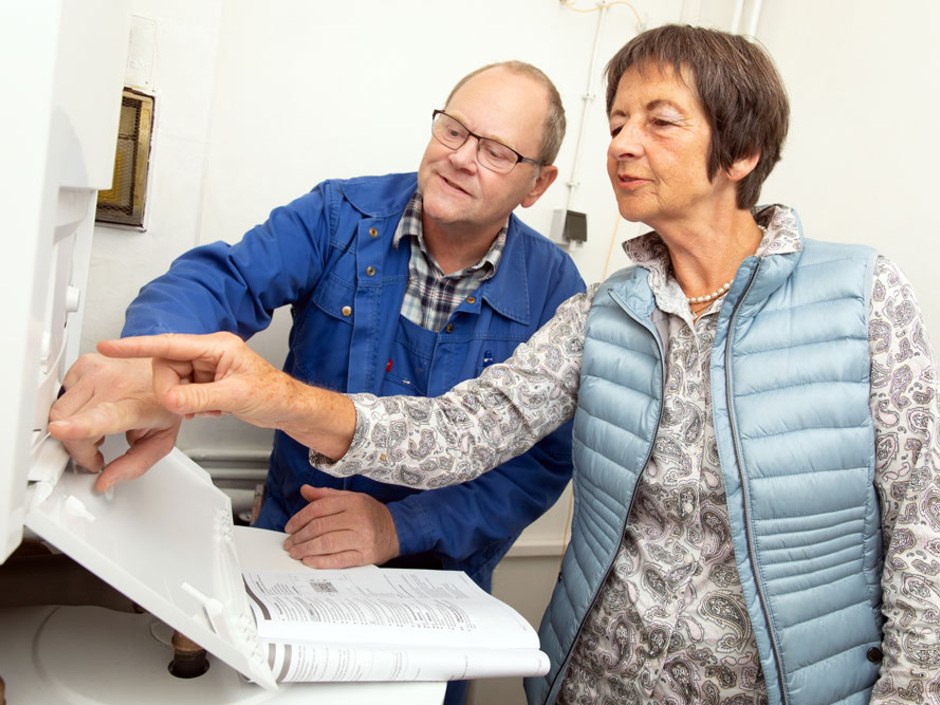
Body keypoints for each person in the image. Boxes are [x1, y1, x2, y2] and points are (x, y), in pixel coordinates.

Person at [51, 25, 940, 705]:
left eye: (657, 122)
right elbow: (461, 427)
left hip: (713, 666)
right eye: (618, 120)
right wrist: (199, 376)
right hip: (558, 668)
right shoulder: (606, 308)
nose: (623, 143)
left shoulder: (855, 295)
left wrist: (398, 526)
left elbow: (922, 528)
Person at [50, 59, 585, 705]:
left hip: (435, 591)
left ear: (537, 183)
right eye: (453, 130)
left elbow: (538, 466)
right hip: (289, 554)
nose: (462, 158)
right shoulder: (339, 215)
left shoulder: (556, 290)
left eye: (496, 150)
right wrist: (151, 357)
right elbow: (225, 279)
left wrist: (398, 528)